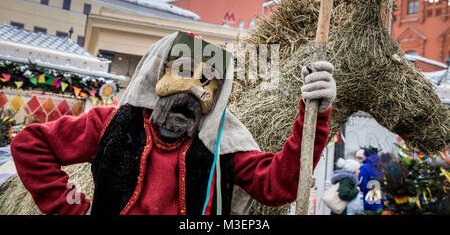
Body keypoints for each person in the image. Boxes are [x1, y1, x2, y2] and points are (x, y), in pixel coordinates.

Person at [10, 31, 337, 215]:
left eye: (207, 82)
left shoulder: (220, 145)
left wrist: (314, 115)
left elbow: (279, 185)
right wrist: (72, 210)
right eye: (182, 71)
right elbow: (30, 144)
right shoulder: (111, 124)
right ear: (156, 74)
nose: (194, 88)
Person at [358, 146, 383, 212]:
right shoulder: (381, 166)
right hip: (381, 203)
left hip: (368, 204)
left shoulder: (364, 168)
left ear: (366, 156)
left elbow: (361, 186)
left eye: (361, 157)